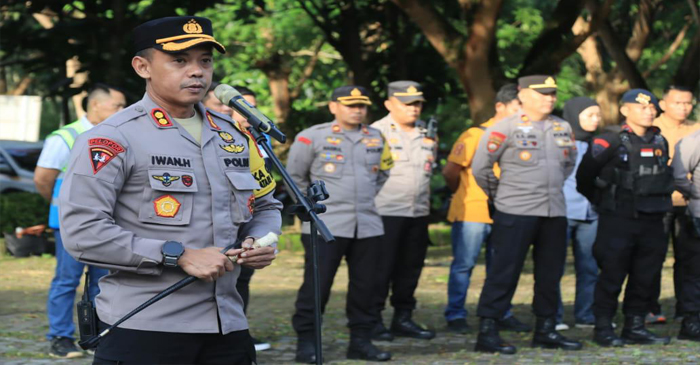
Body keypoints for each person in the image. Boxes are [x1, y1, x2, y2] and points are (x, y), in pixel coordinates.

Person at [58, 16, 282, 364]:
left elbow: (266, 206)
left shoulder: (235, 136)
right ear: (142, 66)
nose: (197, 72)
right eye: (179, 60)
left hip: (228, 325)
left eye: (204, 61)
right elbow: (82, 233)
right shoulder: (112, 138)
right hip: (145, 326)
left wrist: (262, 240)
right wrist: (178, 254)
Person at [471, 75, 582, 354]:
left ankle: (545, 329)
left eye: (553, 93)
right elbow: (481, 168)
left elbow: (568, 164)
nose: (550, 98)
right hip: (515, 210)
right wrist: (500, 196)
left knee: (550, 273)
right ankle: (488, 330)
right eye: (542, 93)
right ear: (522, 95)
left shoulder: (562, 127)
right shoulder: (504, 127)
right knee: (503, 272)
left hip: (553, 210)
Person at [288, 85, 393, 363]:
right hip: (326, 225)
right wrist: (309, 210)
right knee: (317, 286)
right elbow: (295, 178)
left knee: (366, 288)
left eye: (361, 105)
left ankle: (361, 340)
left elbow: (383, 173)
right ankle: (307, 342)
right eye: (350, 105)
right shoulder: (312, 137)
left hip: (368, 224)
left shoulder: (376, 137)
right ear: (333, 106)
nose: (357, 110)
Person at [34, 83, 125, 359]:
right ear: (96, 105)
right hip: (70, 225)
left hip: (107, 224)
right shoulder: (65, 137)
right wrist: (63, 207)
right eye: (117, 105)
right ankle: (60, 337)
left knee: (103, 281)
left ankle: (97, 335)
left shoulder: (119, 135)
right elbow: (43, 178)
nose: (123, 110)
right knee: (67, 280)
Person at [576, 89, 673, 347]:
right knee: (612, 274)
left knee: (645, 276)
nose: (649, 112)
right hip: (619, 219)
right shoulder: (610, 140)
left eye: (652, 108)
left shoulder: (659, 141)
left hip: (653, 219)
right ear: (624, 110)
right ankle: (604, 327)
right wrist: (603, 202)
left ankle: (635, 326)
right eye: (642, 107)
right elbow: (584, 178)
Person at [442, 84, 531, 334]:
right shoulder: (474, 135)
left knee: (502, 266)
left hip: (507, 211)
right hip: (473, 211)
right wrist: (463, 193)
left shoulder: (523, 134)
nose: (521, 114)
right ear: (500, 107)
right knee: (464, 264)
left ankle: (500, 312)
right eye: (517, 108)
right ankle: (456, 314)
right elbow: (450, 171)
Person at [202, 82, 271, 352]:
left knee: (240, 282)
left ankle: (236, 330)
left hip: (244, 225)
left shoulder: (251, 139)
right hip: (208, 232)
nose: (237, 113)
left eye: (246, 108)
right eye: (228, 106)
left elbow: (265, 191)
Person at [369, 80, 436, 342]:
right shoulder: (375, 132)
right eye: (407, 103)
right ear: (389, 104)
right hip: (385, 211)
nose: (414, 108)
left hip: (418, 212)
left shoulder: (427, 131)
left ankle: (403, 318)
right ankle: (372, 320)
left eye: (418, 103)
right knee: (380, 270)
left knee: (410, 269)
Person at [648, 85, 700, 325]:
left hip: (689, 206)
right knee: (652, 256)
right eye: (678, 102)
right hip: (659, 203)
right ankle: (650, 306)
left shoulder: (696, 128)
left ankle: (686, 308)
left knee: (689, 258)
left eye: (688, 103)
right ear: (663, 104)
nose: (683, 107)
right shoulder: (652, 127)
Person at [555, 97, 602, 330]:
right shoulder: (559, 140)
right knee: (554, 266)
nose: (595, 120)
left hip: (591, 213)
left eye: (597, 115)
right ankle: (553, 316)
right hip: (562, 211)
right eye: (589, 115)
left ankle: (586, 314)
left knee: (590, 266)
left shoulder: (601, 143)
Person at [671, 115, 700, 342]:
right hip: (698, 215)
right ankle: (691, 321)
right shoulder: (692, 141)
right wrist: (696, 195)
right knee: (695, 271)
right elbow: (678, 177)